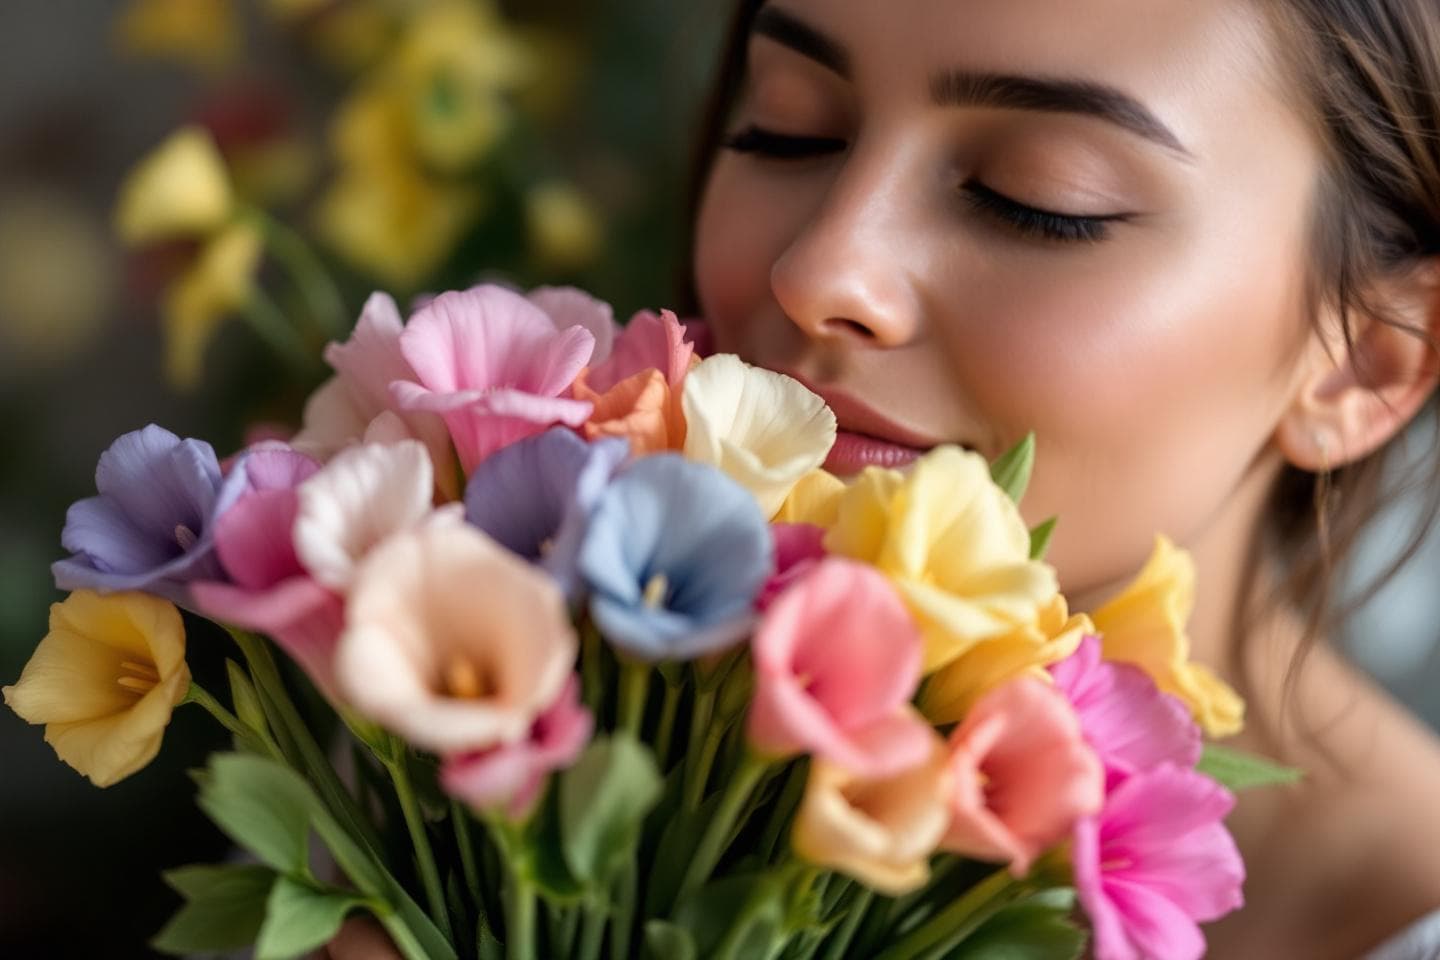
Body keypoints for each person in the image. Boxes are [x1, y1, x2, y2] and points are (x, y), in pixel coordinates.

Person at [331, 1, 1440, 956]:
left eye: (1037, 198)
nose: (819, 268)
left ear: (1363, 365)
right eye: (787, 129)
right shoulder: (475, 696)